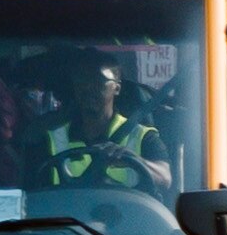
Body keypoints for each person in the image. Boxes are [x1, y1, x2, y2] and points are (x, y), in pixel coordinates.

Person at [40, 56, 173, 192]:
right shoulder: (51, 140)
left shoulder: (142, 136)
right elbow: (34, 199)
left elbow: (165, 178)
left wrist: (134, 160)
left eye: (99, 80)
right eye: (82, 80)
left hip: (127, 213)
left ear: (117, 88)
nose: (88, 87)